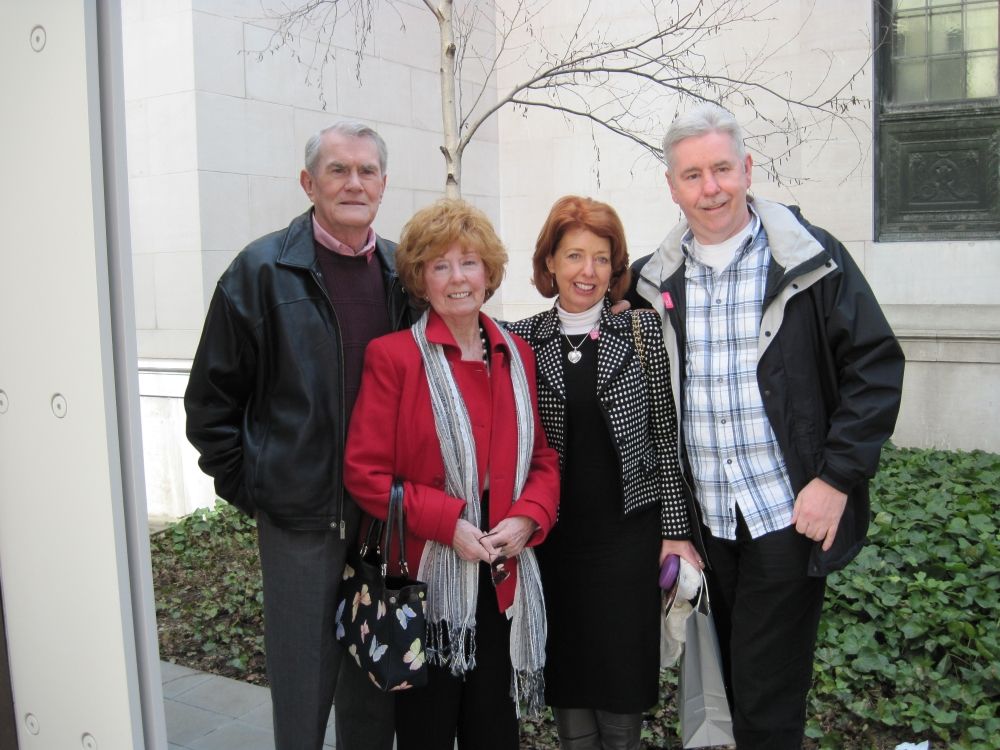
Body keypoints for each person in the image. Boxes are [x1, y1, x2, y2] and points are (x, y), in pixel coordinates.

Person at [626, 103, 905, 749]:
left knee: (766, 696)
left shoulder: (811, 260)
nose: (710, 187)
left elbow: (874, 365)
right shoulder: (652, 279)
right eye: (692, 175)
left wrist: (835, 478)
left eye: (722, 168)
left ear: (747, 169)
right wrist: (670, 525)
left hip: (785, 511)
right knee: (718, 687)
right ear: (672, 187)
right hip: (705, 524)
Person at [184, 121, 414, 750]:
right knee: (302, 692)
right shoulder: (260, 271)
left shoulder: (404, 272)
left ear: (384, 185)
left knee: (374, 691)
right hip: (300, 524)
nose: (354, 183)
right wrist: (261, 488)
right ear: (308, 182)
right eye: (338, 170)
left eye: (367, 171)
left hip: (381, 522)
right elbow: (210, 405)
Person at [343, 198, 560, 750]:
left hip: (503, 566)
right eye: (440, 266)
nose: (457, 278)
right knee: (427, 733)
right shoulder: (393, 357)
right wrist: (449, 525)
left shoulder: (519, 355)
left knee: (494, 731)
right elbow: (365, 474)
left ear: (489, 272)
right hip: (428, 582)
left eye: (468, 262)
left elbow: (541, 461)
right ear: (421, 279)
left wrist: (528, 520)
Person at [506, 196, 703, 750]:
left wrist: (676, 532)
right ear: (550, 264)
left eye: (600, 258)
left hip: (627, 544)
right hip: (555, 545)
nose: (586, 272)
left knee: (620, 688)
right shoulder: (520, 339)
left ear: (615, 267)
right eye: (573, 256)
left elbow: (666, 440)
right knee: (569, 681)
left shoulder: (641, 334)